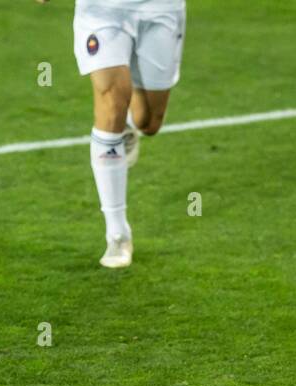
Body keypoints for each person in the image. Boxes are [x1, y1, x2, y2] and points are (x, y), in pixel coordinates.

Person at [39, 0, 187, 268]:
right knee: (112, 100)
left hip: (159, 8)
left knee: (149, 121)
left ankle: (129, 123)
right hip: (102, 11)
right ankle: (117, 234)